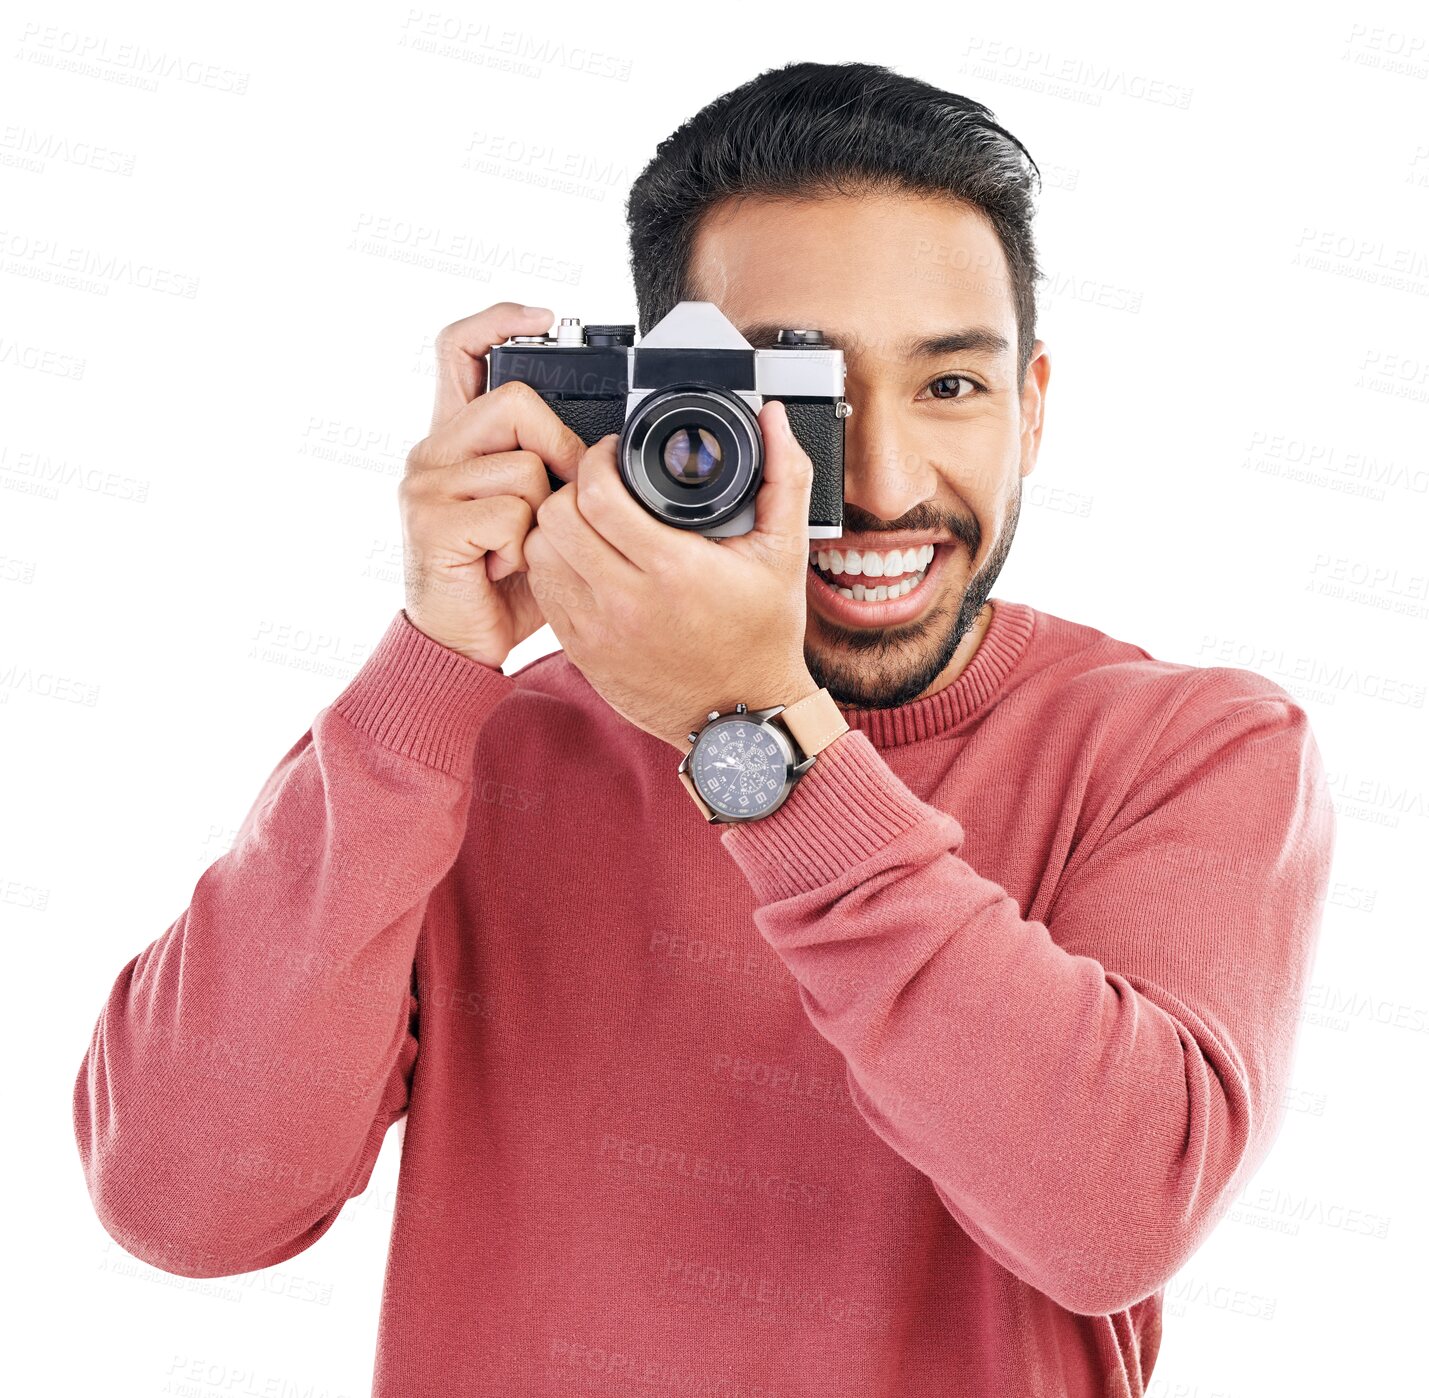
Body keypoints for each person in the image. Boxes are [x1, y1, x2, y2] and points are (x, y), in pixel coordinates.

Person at [73, 60, 1335, 1397]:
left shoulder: (1192, 747)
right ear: (659, 404)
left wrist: (754, 735)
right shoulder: (488, 746)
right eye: (803, 395)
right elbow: (180, 1199)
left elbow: (1113, 1215)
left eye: (948, 389)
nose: (883, 482)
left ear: (1030, 405)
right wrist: (438, 660)